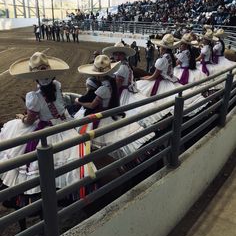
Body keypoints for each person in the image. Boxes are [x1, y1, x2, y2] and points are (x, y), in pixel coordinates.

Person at [0, 52, 96, 205]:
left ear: (34, 77)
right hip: (63, 123)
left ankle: (27, 198)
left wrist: (22, 118)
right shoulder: (57, 86)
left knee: (15, 137)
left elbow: (29, 120)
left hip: (48, 128)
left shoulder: (33, 97)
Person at [76, 54, 155, 159]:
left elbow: (92, 105)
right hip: (111, 111)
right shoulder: (112, 82)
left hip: (102, 115)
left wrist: (78, 101)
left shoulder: (103, 88)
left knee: (84, 131)